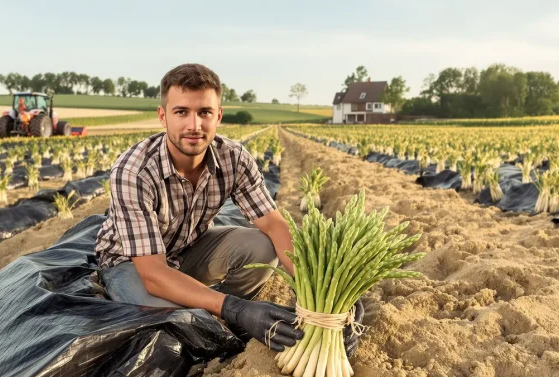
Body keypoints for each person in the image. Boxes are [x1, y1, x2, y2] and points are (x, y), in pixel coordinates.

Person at [95, 63, 363, 354]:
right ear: (163, 117)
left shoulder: (233, 158)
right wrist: (236, 309)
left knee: (261, 245)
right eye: (181, 112)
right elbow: (153, 273)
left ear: (218, 116)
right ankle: (226, 312)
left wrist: (318, 286)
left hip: (190, 248)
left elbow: (274, 224)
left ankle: (226, 315)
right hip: (133, 265)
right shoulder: (134, 171)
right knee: (176, 321)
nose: (194, 125)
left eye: (205, 113)